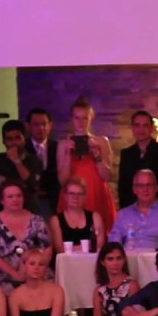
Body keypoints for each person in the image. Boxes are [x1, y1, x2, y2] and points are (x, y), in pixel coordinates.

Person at [55, 96, 117, 234]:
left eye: (85, 118)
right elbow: (62, 181)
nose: (80, 122)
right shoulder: (63, 144)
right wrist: (67, 155)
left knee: (100, 237)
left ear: (90, 118)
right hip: (72, 197)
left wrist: (97, 155)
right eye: (77, 118)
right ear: (72, 119)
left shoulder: (101, 141)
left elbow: (107, 176)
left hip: (97, 194)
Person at [0, 181, 52, 294]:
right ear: (2, 201)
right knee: (7, 289)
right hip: (5, 273)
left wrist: (37, 269)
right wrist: (14, 274)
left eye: (19, 196)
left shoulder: (37, 221)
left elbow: (47, 248)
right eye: (10, 196)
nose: (15, 199)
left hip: (37, 270)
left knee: (51, 286)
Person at [106, 170, 158, 250]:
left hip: (157, 260)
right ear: (134, 189)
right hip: (129, 260)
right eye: (140, 185)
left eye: (149, 185)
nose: (145, 189)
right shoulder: (123, 214)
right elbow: (113, 245)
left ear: (156, 188)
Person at [0, 120, 47, 217]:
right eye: (9, 139)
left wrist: (17, 161)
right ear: (3, 141)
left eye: (17, 138)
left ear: (24, 139)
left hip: (29, 214)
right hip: (3, 215)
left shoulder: (34, 160)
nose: (14, 142)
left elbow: (33, 185)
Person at [117, 110, 158, 208]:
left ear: (151, 128)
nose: (141, 129)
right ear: (132, 128)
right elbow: (123, 186)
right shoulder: (126, 154)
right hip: (132, 208)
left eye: (145, 125)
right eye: (137, 125)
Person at [50, 177, 106, 254]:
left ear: (85, 197)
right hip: (67, 263)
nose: (75, 197)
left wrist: (71, 248)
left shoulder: (95, 217)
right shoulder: (55, 220)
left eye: (79, 194)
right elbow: (60, 249)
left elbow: (99, 245)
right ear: (65, 196)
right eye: (71, 193)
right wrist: (88, 245)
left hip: (90, 262)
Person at [26, 109, 59, 205]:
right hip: (29, 199)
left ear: (50, 125)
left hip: (53, 199)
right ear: (28, 126)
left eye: (44, 124)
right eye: (36, 124)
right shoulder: (22, 148)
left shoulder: (58, 147)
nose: (41, 128)